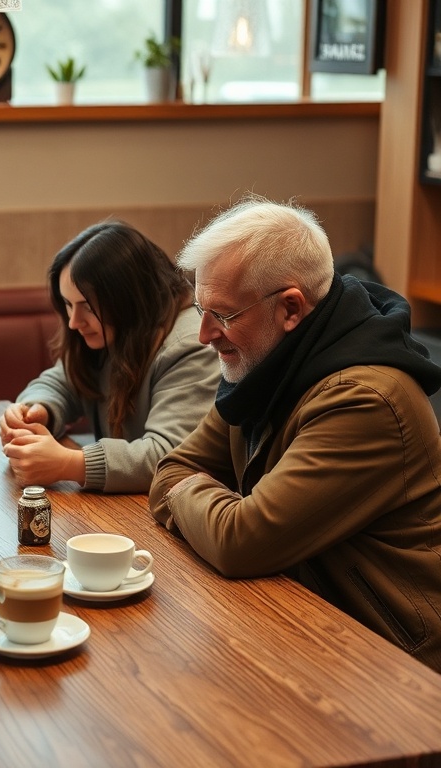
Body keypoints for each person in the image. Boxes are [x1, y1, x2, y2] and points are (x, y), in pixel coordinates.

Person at [149, 196, 441, 673]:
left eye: (221, 315)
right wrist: (200, 496)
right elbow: (172, 469)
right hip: (308, 623)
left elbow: (240, 541)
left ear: (290, 308)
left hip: (396, 665)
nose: (204, 334)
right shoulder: (265, 361)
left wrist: (188, 496)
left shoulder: (365, 400)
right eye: (201, 309)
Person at [0, 221, 219, 493]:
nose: (73, 322)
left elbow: (171, 457)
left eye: (87, 307)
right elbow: (62, 380)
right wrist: (37, 410)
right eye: (68, 305)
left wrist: (69, 464)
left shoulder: (192, 344)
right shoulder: (115, 330)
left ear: (129, 299)